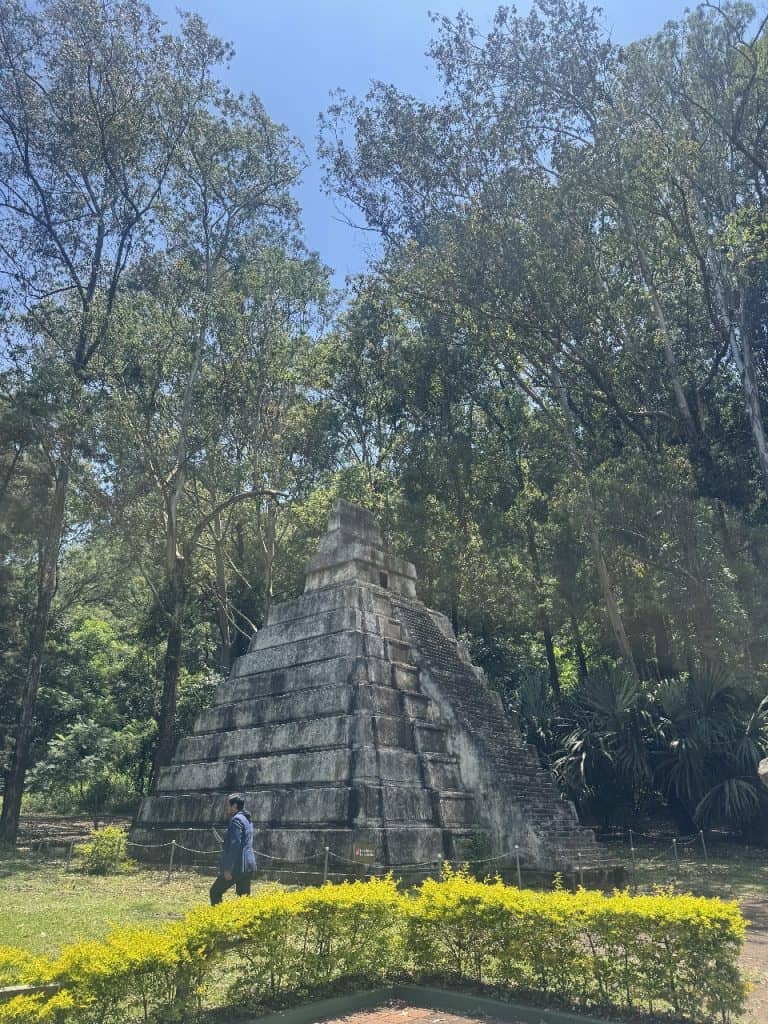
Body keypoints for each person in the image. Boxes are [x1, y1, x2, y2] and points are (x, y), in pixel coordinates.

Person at [209, 793, 256, 905]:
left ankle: (218, 920)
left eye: (228, 805)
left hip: (237, 866)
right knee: (244, 899)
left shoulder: (236, 820)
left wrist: (227, 868)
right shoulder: (247, 819)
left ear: (234, 806)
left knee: (215, 892)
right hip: (248, 865)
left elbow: (235, 844)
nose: (226, 808)